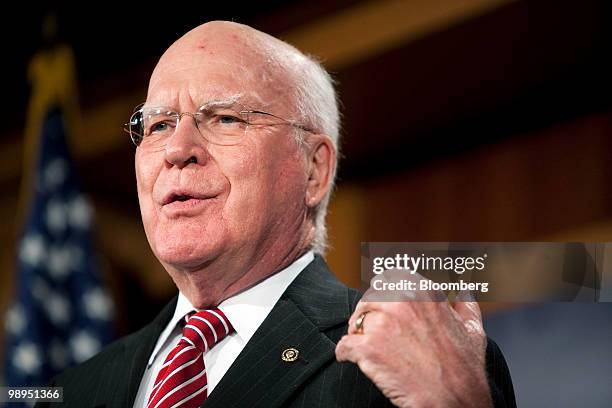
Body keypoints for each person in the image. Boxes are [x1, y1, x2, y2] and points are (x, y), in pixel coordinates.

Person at [39, 21, 515, 407]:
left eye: (225, 118)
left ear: (313, 169)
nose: (177, 149)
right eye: (159, 124)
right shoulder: (74, 392)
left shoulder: (411, 361)